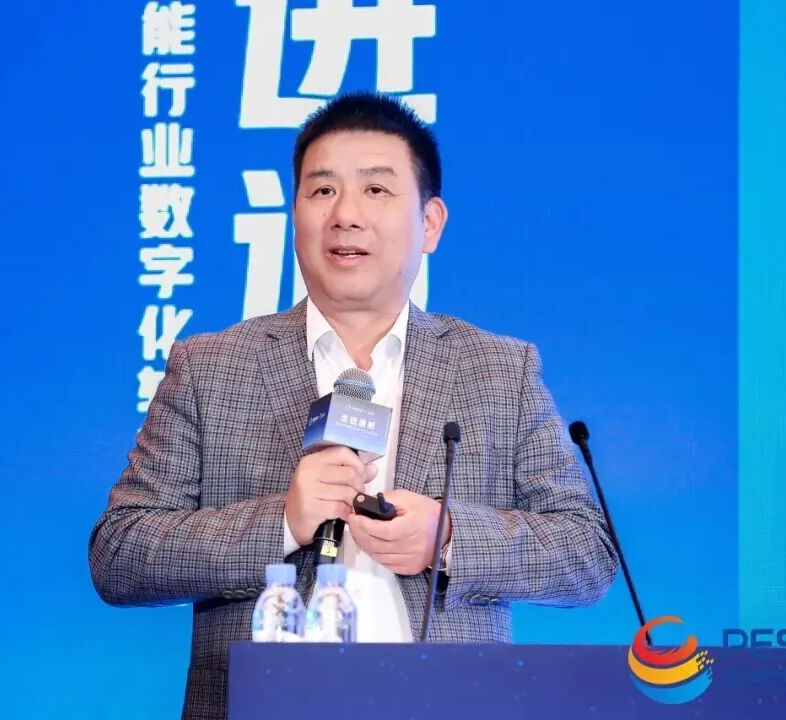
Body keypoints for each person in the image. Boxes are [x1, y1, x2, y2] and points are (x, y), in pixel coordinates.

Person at [89, 92, 618, 720]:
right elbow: (120, 554)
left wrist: (447, 537)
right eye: (322, 191)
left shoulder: (500, 371)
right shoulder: (210, 367)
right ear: (295, 215)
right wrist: (281, 523)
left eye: (375, 190)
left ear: (430, 222)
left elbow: (587, 553)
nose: (345, 215)